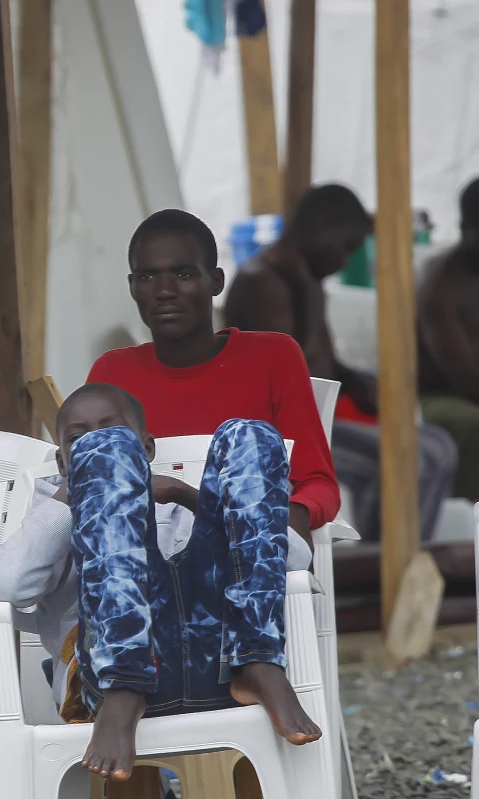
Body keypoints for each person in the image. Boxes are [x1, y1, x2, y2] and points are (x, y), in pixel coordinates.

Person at [73, 208, 340, 778]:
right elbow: (91, 502)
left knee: (250, 438)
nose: (164, 291)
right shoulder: (112, 371)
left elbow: (318, 485)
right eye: (147, 277)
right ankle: (122, 684)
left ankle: (257, 662)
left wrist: (257, 526)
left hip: (234, 603)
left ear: (216, 281)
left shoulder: (271, 356)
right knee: (104, 451)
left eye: (184, 274)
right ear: (132, 288)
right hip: (136, 609)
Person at [224, 184, 458, 541]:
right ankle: (381, 567)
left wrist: (361, 384)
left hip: (318, 423)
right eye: (345, 248)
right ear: (322, 227)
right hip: (281, 435)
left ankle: (405, 557)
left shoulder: (306, 279)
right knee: (408, 458)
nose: (344, 262)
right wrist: (304, 293)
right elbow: (282, 378)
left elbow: (325, 362)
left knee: (439, 446)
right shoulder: (263, 283)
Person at [417, 180, 479, 500]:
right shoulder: (440, 284)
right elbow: (465, 378)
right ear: (468, 228)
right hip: (437, 399)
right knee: (473, 424)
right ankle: (472, 523)